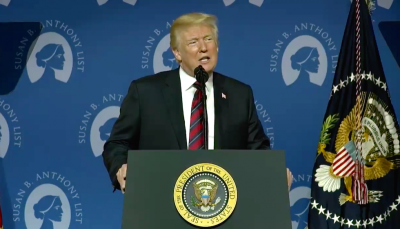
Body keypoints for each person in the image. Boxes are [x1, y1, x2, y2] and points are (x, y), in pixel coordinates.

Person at [102, 12, 293, 193]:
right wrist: (122, 167)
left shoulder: (239, 94)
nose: (204, 47)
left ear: (217, 46)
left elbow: (258, 150)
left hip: (223, 204)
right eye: (193, 42)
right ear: (177, 53)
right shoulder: (145, 92)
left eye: (209, 39)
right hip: (160, 198)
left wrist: (273, 172)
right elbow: (117, 144)